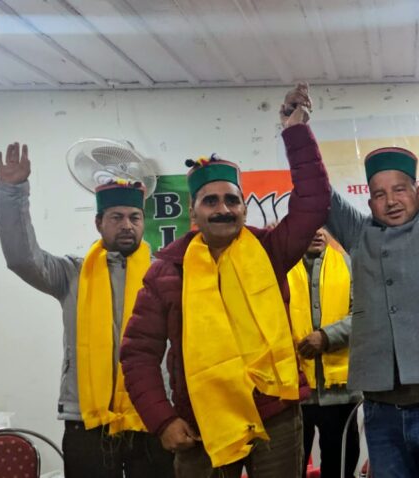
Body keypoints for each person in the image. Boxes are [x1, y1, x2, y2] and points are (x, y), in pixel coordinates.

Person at [119, 84, 331, 477]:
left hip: (275, 413)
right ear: (193, 211)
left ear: (244, 209)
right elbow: (138, 354)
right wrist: (163, 420)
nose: (223, 209)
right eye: (211, 201)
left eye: (232, 200)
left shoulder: (269, 250)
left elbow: (314, 202)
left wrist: (296, 132)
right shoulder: (167, 271)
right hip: (200, 422)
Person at [322, 39, 419, 477]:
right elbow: (317, 192)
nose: (390, 201)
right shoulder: (359, 235)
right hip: (381, 414)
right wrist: (294, 130)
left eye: (399, 189)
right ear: (368, 201)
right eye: (378, 194)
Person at [0, 142, 173, 478]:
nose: (127, 225)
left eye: (134, 217)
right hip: (86, 420)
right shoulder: (72, 274)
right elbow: (21, 257)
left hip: (153, 415)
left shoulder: (163, 275)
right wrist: (12, 191)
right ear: (98, 222)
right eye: (116, 217)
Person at [287, 228, 360, 478]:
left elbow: (365, 314)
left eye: (323, 226)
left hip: (341, 393)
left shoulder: (348, 264)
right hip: (293, 392)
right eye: (310, 226)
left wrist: (327, 337)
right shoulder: (279, 267)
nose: (318, 232)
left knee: (340, 469)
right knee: (288, 470)